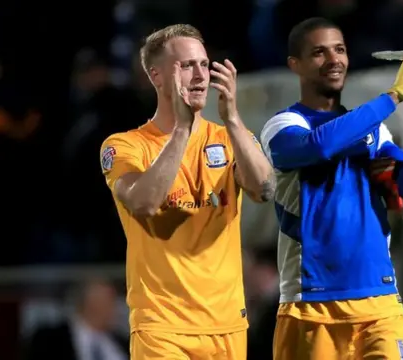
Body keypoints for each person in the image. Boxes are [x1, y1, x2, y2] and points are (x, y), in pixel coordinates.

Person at [259, 17, 403, 359]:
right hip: (312, 303)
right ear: (295, 65)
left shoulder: (375, 132)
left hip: (380, 302)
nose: (334, 60)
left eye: (340, 50)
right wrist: (394, 95)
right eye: (319, 52)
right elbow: (319, 146)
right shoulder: (284, 126)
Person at [99, 24, 274, 360]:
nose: (199, 75)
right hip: (162, 327)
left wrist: (233, 120)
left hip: (227, 324)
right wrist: (182, 129)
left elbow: (264, 189)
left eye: (204, 65)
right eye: (186, 65)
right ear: (157, 76)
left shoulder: (228, 137)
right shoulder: (125, 145)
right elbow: (144, 202)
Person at [24, 278, 128, 360]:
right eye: (111, 301)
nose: (117, 308)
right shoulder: (48, 340)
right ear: (91, 304)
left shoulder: (124, 342)